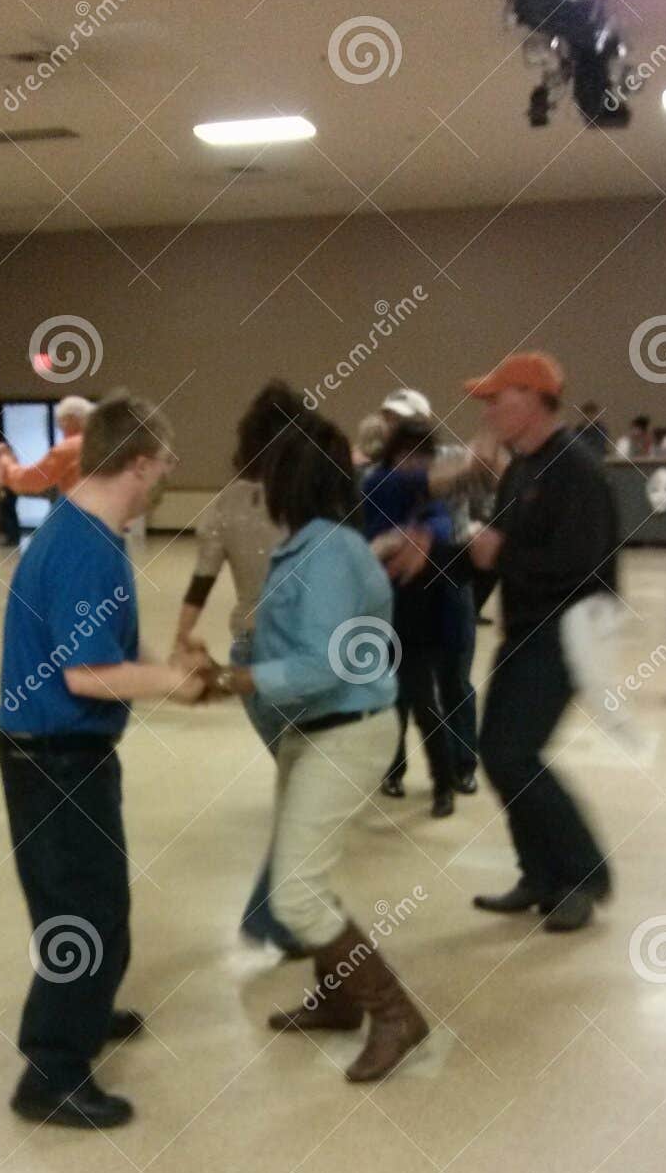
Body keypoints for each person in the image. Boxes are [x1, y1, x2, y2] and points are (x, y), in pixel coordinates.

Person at [0, 392, 206, 1131]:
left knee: (101, 896)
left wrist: (166, 673)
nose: (163, 480)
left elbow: (113, 654)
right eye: (164, 466)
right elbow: (85, 674)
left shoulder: (96, 532)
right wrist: (172, 684)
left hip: (73, 751)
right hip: (52, 754)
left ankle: (87, 1010)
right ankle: (50, 1070)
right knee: (79, 908)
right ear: (140, 463)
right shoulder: (85, 547)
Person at [205, 410, 429, 1083]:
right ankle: (339, 999)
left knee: (295, 892)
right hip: (315, 730)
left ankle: (396, 1014)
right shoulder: (306, 545)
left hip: (347, 732)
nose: (256, 487)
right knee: (307, 878)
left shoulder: (328, 551)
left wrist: (238, 677)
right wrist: (227, 659)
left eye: (264, 473)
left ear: (288, 478)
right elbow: (285, 643)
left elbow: (325, 664)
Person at [465, 351, 617, 933]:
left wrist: (501, 554)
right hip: (526, 629)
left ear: (531, 398)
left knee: (512, 753)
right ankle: (539, 874)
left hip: (570, 634)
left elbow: (582, 564)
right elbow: (493, 555)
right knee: (500, 753)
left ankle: (583, 875)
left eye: (495, 399)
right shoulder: (520, 469)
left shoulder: (577, 470)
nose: (487, 411)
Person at [172, 381, 302, 954]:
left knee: (301, 781)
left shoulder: (225, 504)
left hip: (250, 657)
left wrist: (183, 633)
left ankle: (278, 912)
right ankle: (272, 913)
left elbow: (202, 575)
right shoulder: (306, 503)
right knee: (307, 785)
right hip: (295, 657)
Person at [359, 416, 467, 816]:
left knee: (423, 700)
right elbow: (371, 530)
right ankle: (393, 770)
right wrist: (402, 536)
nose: (418, 464)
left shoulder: (428, 492)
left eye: (424, 457)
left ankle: (443, 782)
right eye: (410, 455)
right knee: (387, 702)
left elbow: (442, 522)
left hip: (423, 610)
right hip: (383, 610)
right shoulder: (379, 484)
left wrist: (423, 535)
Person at [0, 395, 92, 504]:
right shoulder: (101, 445)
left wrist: (6, 462)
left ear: (69, 419)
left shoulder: (69, 449)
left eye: (61, 422)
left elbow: (30, 481)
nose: (61, 427)